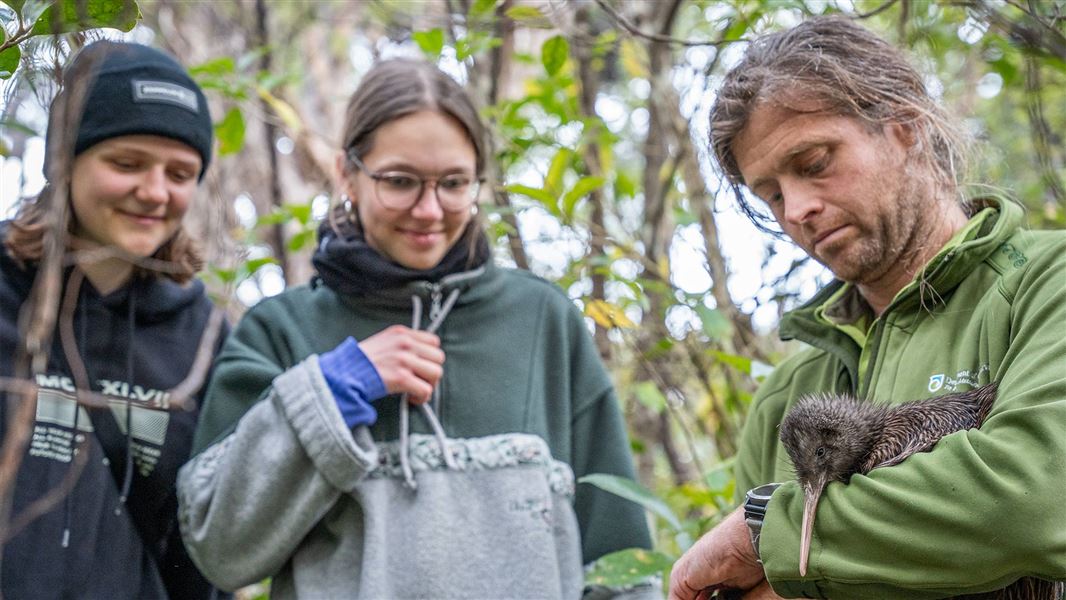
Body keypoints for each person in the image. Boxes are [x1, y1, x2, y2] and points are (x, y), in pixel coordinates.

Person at [177, 57, 655, 599]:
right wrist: (330, 393)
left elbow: (620, 563)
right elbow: (217, 547)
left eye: (453, 183)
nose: (429, 210)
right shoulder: (280, 330)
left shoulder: (542, 320)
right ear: (347, 174)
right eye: (400, 181)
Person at [669, 15, 1066, 600]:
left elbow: (1040, 500)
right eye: (771, 195)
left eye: (814, 164)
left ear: (904, 124)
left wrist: (765, 533)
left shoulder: (1047, 283)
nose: (796, 209)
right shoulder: (787, 394)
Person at [0, 42, 228, 598]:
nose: (154, 192)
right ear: (64, 160)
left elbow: (204, 550)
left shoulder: (205, 340)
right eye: (126, 164)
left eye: (180, 173)